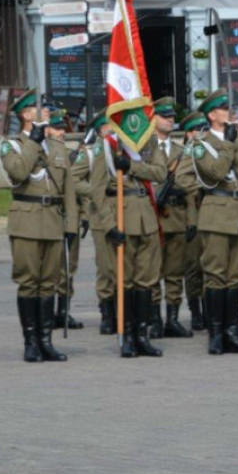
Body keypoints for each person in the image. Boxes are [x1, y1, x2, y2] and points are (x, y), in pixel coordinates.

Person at [0, 93, 77, 362]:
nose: (45, 112)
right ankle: (30, 341)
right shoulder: (11, 146)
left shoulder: (56, 148)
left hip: (53, 220)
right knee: (29, 282)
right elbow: (18, 173)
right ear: (25, 115)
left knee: (49, 284)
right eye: (38, 108)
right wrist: (33, 143)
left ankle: (46, 341)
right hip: (27, 220)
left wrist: (71, 225)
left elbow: (67, 189)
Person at [92, 111, 167, 358]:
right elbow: (98, 192)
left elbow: (160, 173)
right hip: (121, 217)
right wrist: (109, 224)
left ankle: (141, 335)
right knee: (124, 281)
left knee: (146, 280)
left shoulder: (149, 143)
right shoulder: (107, 147)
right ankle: (126, 335)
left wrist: (132, 166)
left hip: (146, 217)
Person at [191, 88, 238, 355]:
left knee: (235, 276)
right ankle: (216, 332)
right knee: (216, 275)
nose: (229, 112)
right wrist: (229, 144)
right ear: (211, 115)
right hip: (217, 213)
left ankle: (231, 330)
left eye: (229, 108)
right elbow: (217, 172)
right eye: (222, 109)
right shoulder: (200, 144)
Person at [152, 96, 198, 339]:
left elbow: (190, 191)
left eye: (172, 117)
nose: (170, 120)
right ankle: (154, 320)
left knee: (175, 273)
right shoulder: (145, 150)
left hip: (177, 217)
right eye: (165, 117)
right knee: (152, 274)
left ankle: (172, 318)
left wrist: (191, 220)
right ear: (153, 119)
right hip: (153, 218)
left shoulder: (181, 152)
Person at [72, 112, 116, 334]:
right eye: (108, 126)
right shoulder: (90, 153)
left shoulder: (119, 150)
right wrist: (97, 191)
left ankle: (122, 312)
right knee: (107, 268)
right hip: (100, 216)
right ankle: (107, 314)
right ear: (100, 131)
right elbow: (72, 179)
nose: (112, 129)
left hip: (121, 215)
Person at [179, 112, 207, 331]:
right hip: (188, 219)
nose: (201, 133)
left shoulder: (207, 153)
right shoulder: (181, 156)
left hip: (208, 216)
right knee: (193, 268)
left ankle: (209, 309)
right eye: (197, 130)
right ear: (188, 133)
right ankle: (195, 310)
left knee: (210, 267)